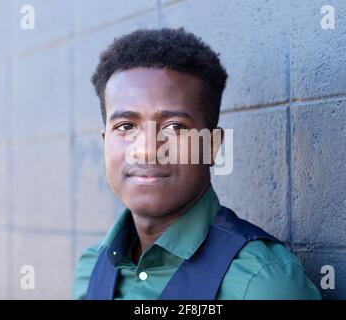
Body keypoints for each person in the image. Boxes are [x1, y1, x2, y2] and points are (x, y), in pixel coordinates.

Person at [72, 27, 321, 300]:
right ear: (106, 142)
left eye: (174, 126)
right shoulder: (91, 268)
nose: (146, 151)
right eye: (126, 125)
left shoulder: (260, 283)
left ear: (211, 146)